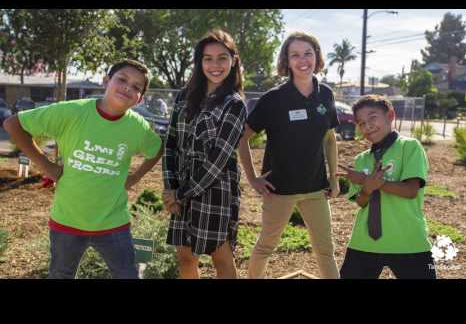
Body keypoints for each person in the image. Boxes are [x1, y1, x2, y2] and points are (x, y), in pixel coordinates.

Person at [3, 59, 163, 279]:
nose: (128, 87)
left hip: (113, 224)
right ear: (106, 81)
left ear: (140, 99)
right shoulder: (72, 112)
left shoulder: (138, 127)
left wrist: (135, 177)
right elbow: (13, 124)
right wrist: (46, 165)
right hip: (67, 221)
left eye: (136, 87)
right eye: (122, 79)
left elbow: (157, 149)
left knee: (128, 275)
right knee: (61, 275)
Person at [238, 31, 340, 279]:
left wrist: (334, 179)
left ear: (317, 56)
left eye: (308, 53)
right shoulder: (274, 99)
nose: (302, 59)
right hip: (279, 189)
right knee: (265, 246)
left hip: (316, 189)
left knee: (326, 250)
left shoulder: (325, 94)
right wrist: (253, 178)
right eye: (295, 55)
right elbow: (242, 138)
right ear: (287, 60)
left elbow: (330, 138)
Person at [162, 29, 247, 279]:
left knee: (221, 257)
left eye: (222, 57)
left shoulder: (234, 104)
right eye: (207, 58)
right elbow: (171, 144)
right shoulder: (183, 97)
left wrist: (181, 194)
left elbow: (218, 160)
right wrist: (170, 187)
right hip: (181, 189)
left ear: (234, 61)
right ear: (199, 63)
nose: (215, 65)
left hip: (215, 190)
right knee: (185, 257)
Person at [337, 94, 436, 279]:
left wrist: (375, 182)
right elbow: (360, 202)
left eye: (372, 117)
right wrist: (366, 188)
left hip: (408, 241)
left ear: (390, 116)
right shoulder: (361, 159)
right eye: (361, 123)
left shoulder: (410, 147)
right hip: (364, 242)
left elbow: (410, 191)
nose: (367, 126)